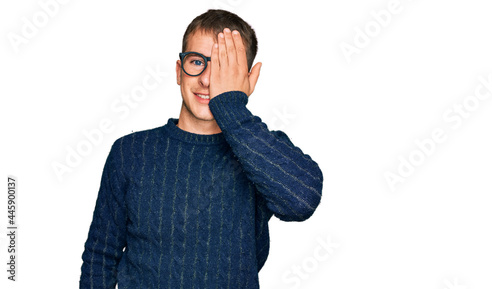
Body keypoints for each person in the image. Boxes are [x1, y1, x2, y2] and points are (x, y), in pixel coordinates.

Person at [79, 9, 323, 289]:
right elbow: (101, 256)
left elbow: (302, 201)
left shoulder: (259, 148)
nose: (207, 79)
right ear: (178, 71)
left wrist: (231, 106)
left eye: (222, 68)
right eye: (197, 62)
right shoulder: (130, 152)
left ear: (248, 79)